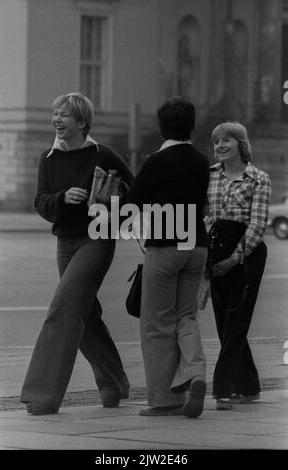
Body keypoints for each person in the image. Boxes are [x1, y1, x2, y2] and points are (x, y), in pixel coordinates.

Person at [20, 92, 133, 415]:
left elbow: (134, 191)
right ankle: (114, 382)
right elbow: (41, 202)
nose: (56, 119)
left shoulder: (104, 155)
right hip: (64, 242)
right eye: (55, 113)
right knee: (85, 314)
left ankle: (43, 394)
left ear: (82, 122)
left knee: (63, 307)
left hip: (96, 240)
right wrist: (62, 198)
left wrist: (113, 198)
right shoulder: (48, 158)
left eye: (64, 115)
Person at [128, 96, 210, 418]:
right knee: (185, 317)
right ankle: (196, 373)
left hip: (165, 247)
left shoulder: (155, 162)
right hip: (197, 247)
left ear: (161, 126)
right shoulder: (202, 160)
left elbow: (134, 201)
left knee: (157, 323)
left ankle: (165, 400)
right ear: (191, 125)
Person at [206, 121, 271, 410]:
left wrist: (235, 257)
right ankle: (248, 386)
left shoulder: (259, 179)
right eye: (216, 141)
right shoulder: (209, 176)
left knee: (237, 322)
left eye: (226, 141)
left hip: (247, 254)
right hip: (216, 252)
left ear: (241, 144)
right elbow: (205, 216)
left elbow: (258, 223)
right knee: (224, 324)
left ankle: (222, 389)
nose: (220, 146)